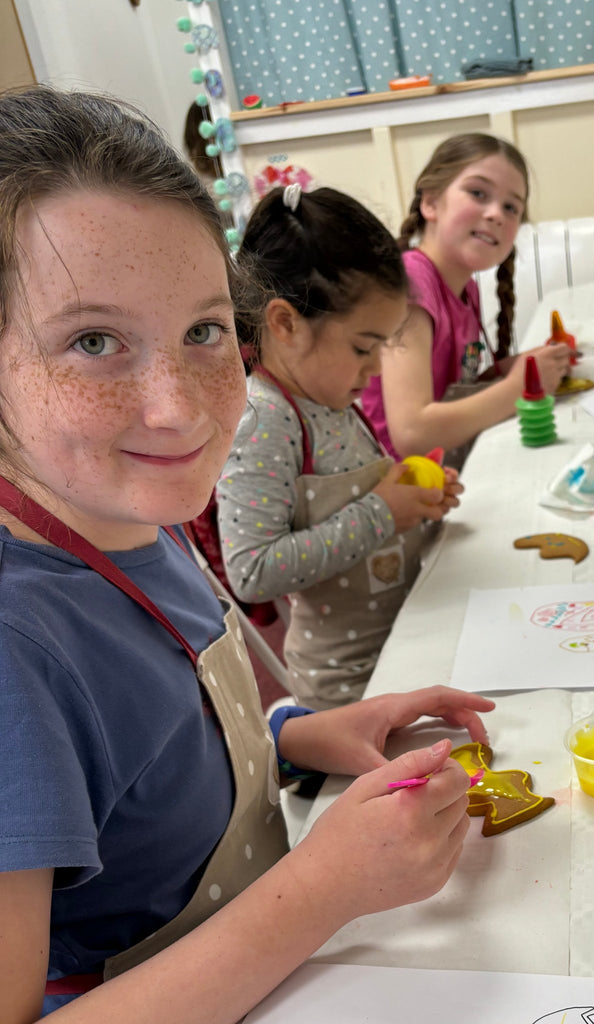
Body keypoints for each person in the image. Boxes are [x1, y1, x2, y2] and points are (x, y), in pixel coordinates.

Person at [0, 85, 494, 1023]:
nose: (180, 407)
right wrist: (321, 890)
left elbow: (152, 764)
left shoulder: (137, 514)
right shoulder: (15, 648)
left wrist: (305, 735)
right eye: (93, 340)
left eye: (201, 332)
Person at [216, 184, 463, 709]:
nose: (375, 368)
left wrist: (418, 497)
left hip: (402, 641)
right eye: (362, 347)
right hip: (349, 689)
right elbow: (252, 570)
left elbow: (361, 497)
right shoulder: (263, 419)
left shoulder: (327, 395)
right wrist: (382, 513)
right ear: (285, 324)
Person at [359, 132, 571, 469]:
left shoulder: (464, 287)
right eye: (478, 193)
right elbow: (412, 432)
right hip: (402, 488)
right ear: (430, 203)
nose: (496, 214)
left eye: (511, 206)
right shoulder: (414, 284)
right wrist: (517, 388)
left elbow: (453, 387)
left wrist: (521, 367)